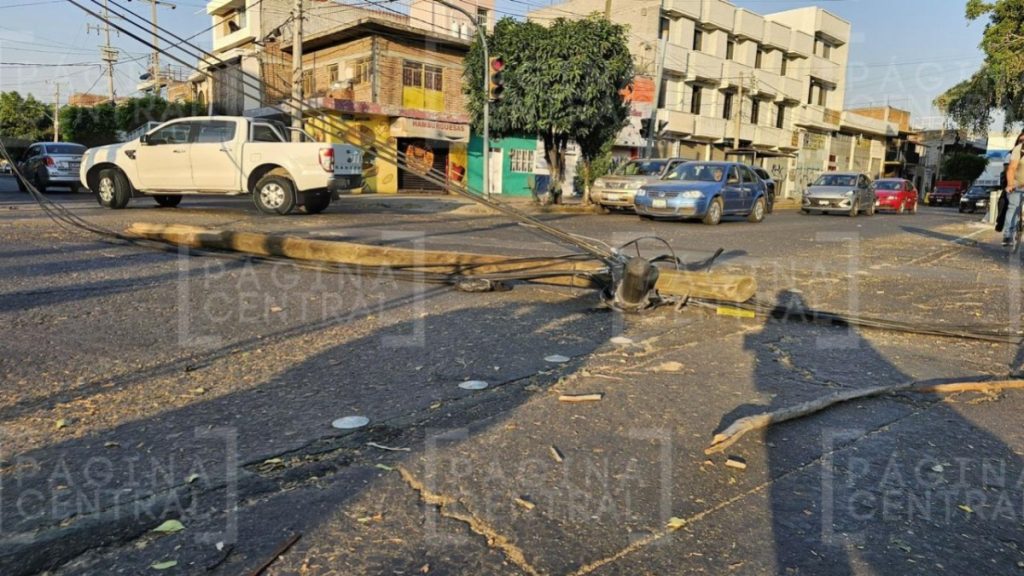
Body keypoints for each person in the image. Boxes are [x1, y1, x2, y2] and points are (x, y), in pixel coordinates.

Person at [1003, 132, 1024, 245]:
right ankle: (1008, 235)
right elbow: (1011, 168)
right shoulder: (1019, 149)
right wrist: (1010, 184)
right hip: (1018, 184)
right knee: (1013, 207)